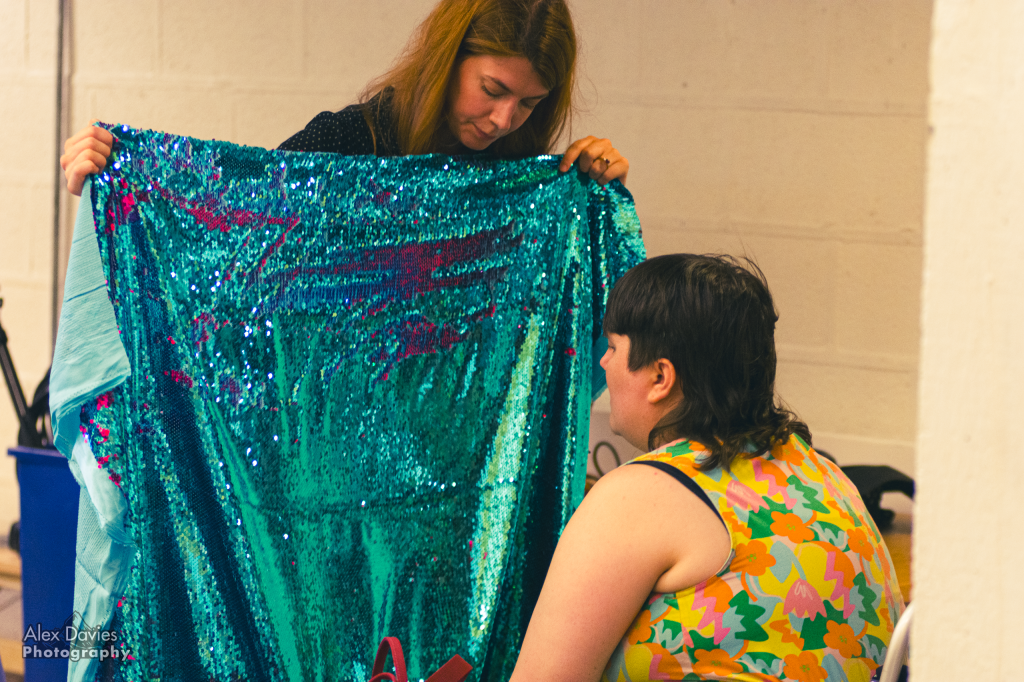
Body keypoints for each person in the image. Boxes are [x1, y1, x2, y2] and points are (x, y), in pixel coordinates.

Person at [509, 254, 905, 682]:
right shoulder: (823, 475)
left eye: (612, 348)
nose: (603, 365)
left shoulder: (638, 496)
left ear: (661, 377)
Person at [60, 0, 628, 196]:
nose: (506, 119)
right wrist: (126, 173)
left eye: (529, 104)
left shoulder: (524, 185)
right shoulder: (349, 141)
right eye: (493, 90)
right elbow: (232, 211)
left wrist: (595, 188)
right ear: (445, 61)